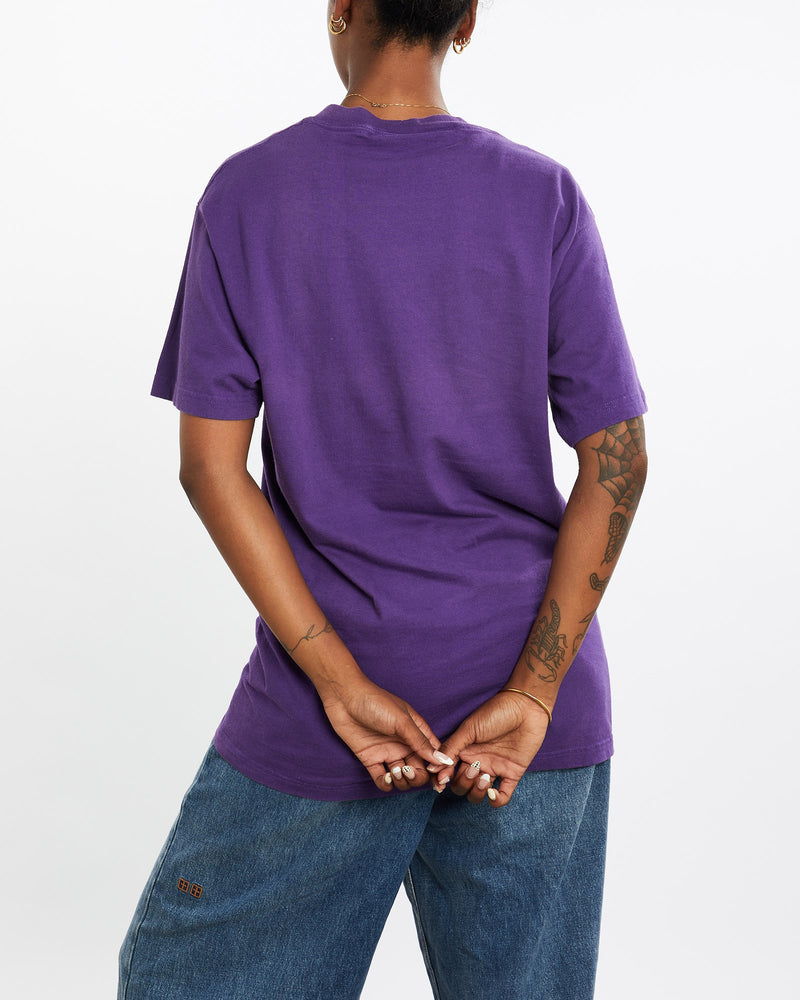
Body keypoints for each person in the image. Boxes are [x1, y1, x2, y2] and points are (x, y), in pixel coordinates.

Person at [118, 1, 648, 998]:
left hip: (334, 700)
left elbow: (210, 468)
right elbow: (616, 460)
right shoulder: (541, 196)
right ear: (467, 21)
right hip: (530, 706)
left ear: (341, 9)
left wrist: (335, 681)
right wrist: (535, 691)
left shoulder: (248, 193)